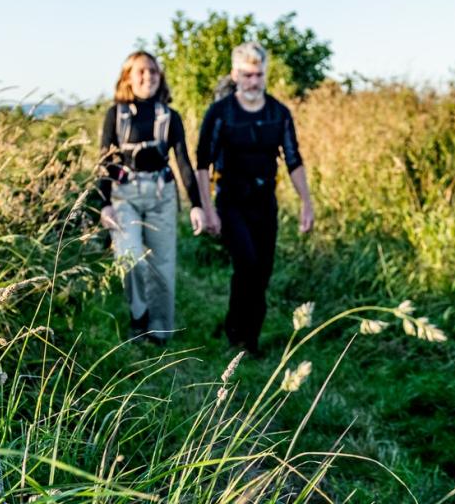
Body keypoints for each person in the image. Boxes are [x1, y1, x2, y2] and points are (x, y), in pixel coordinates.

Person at [196, 42, 314, 355]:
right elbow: (202, 162)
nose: (253, 81)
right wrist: (208, 210)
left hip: (265, 202)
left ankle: (251, 339)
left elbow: (293, 158)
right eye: (247, 74)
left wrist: (306, 202)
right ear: (235, 74)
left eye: (258, 74)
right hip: (230, 202)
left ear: (265, 75)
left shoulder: (279, 113)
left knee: (262, 271)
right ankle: (235, 333)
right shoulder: (220, 114)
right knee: (246, 264)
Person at [99, 51, 205, 344]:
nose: (148, 77)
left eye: (154, 72)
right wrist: (104, 203)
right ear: (128, 78)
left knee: (162, 263)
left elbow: (184, 161)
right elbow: (105, 161)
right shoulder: (115, 115)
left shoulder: (170, 116)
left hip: (162, 194)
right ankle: (138, 317)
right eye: (141, 72)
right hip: (125, 195)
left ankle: (159, 330)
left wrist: (196, 205)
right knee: (130, 256)